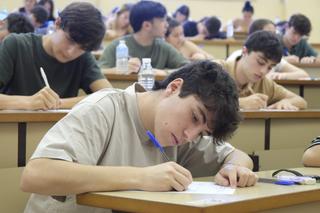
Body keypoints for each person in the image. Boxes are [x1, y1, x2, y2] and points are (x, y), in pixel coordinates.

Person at [21, 60, 258, 213]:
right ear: (174, 88)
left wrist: (234, 169)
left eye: (202, 132)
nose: (190, 135)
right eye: (195, 117)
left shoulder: (182, 136)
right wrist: (140, 177)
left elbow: (237, 156)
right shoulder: (104, 107)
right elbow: (36, 175)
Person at [0, 2, 112, 110]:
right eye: (70, 40)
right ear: (58, 23)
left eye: (82, 48)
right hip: (12, 127)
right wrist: (29, 102)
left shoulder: (83, 57)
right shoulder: (16, 45)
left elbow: (109, 97)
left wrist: (57, 103)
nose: (71, 52)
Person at [215, 31, 307, 110]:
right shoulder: (214, 70)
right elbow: (201, 101)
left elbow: (301, 101)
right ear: (244, 52)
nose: (263, 71)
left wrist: (285, 102)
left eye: (270, 67)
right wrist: (239, 103)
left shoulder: (263, 83)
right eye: (260, 62)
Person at [99, 1, 188, 74]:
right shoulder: (118, 46)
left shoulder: (164, 47)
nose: (166, 24)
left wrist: (163, 72)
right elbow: (99, 72)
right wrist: (119, 70)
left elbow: (188, 68)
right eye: (162, 20)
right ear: (147, 25)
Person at [230, 18, 309, 80]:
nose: (273, 38)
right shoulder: (238, 56)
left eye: (274, 33)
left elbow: (303, 74)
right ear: (255, 35)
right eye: (260, 62)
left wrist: (280, 76)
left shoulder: (272, 58)